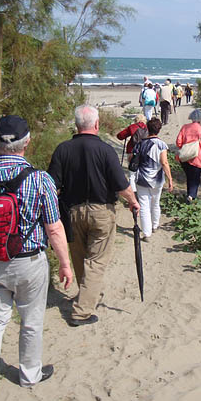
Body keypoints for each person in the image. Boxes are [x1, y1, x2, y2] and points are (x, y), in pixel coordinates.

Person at [0, 115, 73, 401]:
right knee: (32, 319)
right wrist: (65, 263)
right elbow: (53, 228)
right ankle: (29, 374)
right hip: (30, 262)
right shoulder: (40, 179)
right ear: (28, 142)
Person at [48, 105, 140, 326]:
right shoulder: (106, 150)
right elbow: (121, 185)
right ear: (97, 125)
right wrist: (133, 202)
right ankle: (81, 311)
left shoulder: (63, 149)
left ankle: (89, 294)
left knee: (80, 257)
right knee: (96, 261)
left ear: (77, 125)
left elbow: (52, 186)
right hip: (101, 211)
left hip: (72, 212)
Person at [135, 118, 173, 241]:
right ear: (159, 129)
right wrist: (170, 180)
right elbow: (164, 162)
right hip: (157, 179)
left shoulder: (140, 144)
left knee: (144, 205)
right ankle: (155, 225)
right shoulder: (162, 144)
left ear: (147, 128)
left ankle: (147, 233)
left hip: (142, 179)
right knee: (155, 203)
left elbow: (132, 159)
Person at [175, 109, 201, 203]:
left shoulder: (184, 127)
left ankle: (189, 195)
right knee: (196, 178)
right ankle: (191, 196)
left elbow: (178, 142)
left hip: (185, 157)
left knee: (189, 177)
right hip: (197, 157)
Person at [116, 113, 148, 192]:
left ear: (136, 120)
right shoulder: (148, 128)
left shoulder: (132, 127)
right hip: (145, 151)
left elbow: (120, 136)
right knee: (142, 171)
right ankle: (142, 190)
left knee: (132, 172)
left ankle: (133, 192)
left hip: (132, 151)